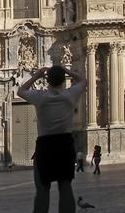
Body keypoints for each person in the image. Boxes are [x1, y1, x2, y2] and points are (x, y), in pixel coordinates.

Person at [18, 65, 87, 213]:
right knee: (65, 186)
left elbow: (21, 91)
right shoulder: (70, 95)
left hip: (46, 145)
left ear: (47, 81)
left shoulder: (40, 97)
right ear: (63, 80)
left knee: (43, 189)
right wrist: (67, 71)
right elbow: (84, 81)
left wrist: (37, 75)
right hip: (65, 144)